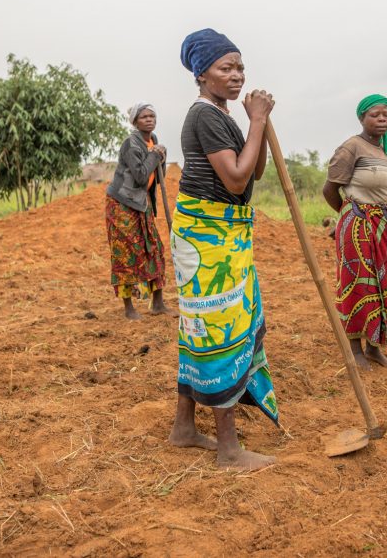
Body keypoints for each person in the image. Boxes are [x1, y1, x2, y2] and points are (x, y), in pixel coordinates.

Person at [168, 28, 278, 471]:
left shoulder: (221, 115)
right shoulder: (206, 116)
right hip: (209, 238)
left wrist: (260, 126)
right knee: (218, 331)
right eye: (225, 68)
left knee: (201, 328)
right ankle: (229, 450)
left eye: (240, 68)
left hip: (218, 233)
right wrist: (254, 122)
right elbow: (235, 178)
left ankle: (183, 428)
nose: (236, 76)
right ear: (201, 73)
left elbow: (255, 173)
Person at [322, 94, 387, 370]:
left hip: (383, 228)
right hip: (359, 225)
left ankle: (374, 348)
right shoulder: (351, 147)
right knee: (358, 284)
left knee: (383, 285)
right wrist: (350, 217)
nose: (381, 119)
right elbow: (330, 190)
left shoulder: (386, 153)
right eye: (374, 115)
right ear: (362, 118)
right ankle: (355, 349)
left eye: (386, 115)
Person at [105, 103, 173, 319]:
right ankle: (129, 309)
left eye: (152, 116)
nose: (149, 119)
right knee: (126, 253)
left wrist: (161, 155)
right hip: (122, 204)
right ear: (135, 122)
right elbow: (141, 176)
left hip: (142, 203)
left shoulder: (153, 141)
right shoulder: (131, 144)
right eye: (144, 117)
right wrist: (155, 155)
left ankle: (158, 304)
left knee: (154, 247)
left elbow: (158, 175)